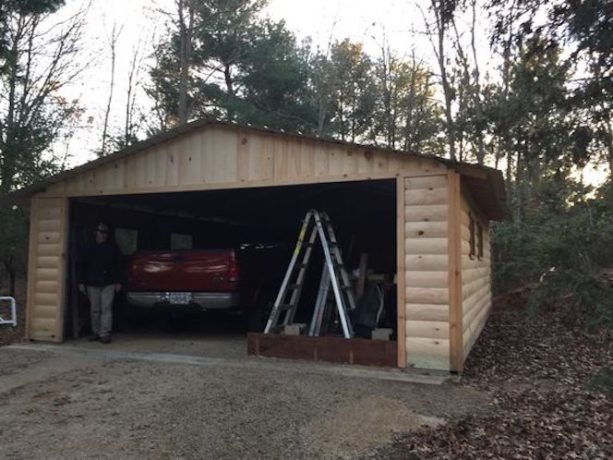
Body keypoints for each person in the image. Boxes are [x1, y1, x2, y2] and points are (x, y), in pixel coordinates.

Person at [78, 223, 123, 344]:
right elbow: (82, 265)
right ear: (95, 233)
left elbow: (119, 265)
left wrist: (119, 281)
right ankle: (95, 332)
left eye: (105, 233)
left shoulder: (113, 247)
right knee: (94, 309)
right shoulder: (88, 248)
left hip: (109, 283)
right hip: (92, 283)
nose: (103, 235)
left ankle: (105, 333)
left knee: (106, 308)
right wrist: (81, 282)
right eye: (101, 232)